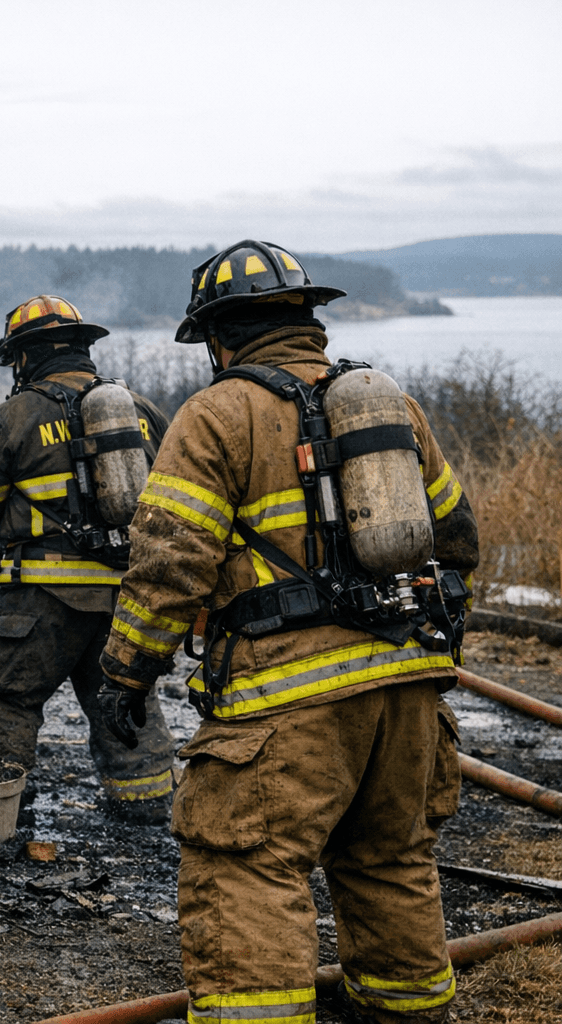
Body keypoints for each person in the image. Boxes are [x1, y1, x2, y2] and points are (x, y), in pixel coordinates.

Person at [96, 241, 480, 1024]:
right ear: (309, 321)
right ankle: (408, 1012)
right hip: (408, 692)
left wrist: (127, 673)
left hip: (286, 706)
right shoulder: (391, 407)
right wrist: (431, 654)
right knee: (390, 860)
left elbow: (169, 562)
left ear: (218, 337)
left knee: (248, 869)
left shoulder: (216, 415)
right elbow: (459, 541)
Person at [0, 294, 176, 824]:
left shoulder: (15, 415)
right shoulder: (142, 412)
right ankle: (146, 805)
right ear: (81, 347)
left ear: (26, 356)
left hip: (40, 601)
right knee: (125, 698)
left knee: (1, 697)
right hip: (124, 600)